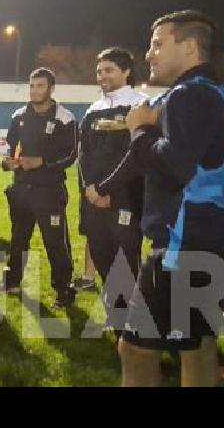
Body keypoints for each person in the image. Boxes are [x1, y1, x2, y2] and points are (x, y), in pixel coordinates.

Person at [97, 10, 224, 386]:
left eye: (159, 43)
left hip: (181, 244)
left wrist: (139, 131)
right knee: (195, 346)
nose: (149, 53)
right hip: (210, 238)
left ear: (191, 46)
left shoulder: (188, 94)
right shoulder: (216, 93)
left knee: (134, 348)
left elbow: (177, 165)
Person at [78, 47, 147, 330]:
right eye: (99, 71)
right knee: (102, 253)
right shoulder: (93, 110)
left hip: (125, 198)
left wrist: (110, 191)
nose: (102, 76)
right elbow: (83, 155)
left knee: (126, 258)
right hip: (94, 198)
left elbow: (136, 156)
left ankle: (136, 318)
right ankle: (116, 315)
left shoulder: (142, 105)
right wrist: (90, 190)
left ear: (126, 71)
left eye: (109, 70)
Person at [1, 68, 78, 309]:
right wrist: (7, 162)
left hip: (49, 191)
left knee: (55, 243)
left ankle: (64, 291)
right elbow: (10, 147)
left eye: (40, 86)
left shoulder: (65, 118)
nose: (35, 90)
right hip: (21, 188)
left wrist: (42, 161)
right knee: (17, 239)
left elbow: (71, 155)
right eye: (32, 86)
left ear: (51, 89)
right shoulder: (18, 116)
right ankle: (12, 282)